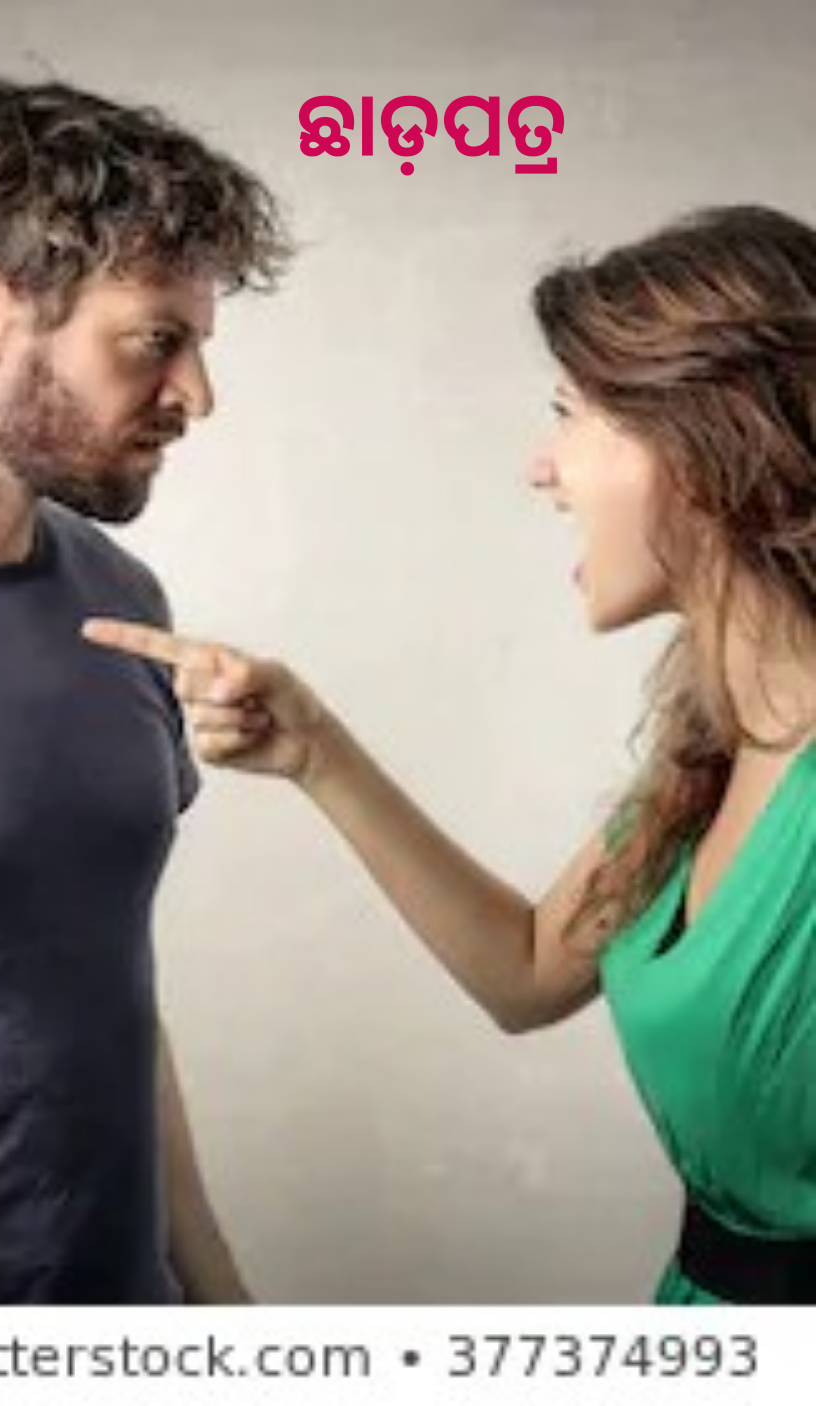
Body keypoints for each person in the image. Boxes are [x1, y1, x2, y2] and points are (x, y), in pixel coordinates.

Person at [84, 204, 816, 1305]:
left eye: (571, 414)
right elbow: (526, 970)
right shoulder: (709, 743)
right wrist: (315, 750)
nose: (541, 467)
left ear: (708, 445)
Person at [0, 74, 290, 1303]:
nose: (196, 395)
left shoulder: (123, 599)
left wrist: (218, 1300)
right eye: (155, 339)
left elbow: (101, 985)